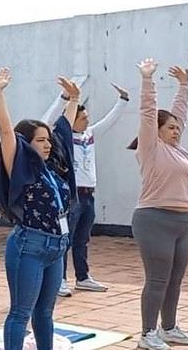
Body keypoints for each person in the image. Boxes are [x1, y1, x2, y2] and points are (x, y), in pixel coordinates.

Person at [0, 68, 82, 350]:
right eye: (39, 141)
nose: (47, 145)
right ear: (26, 144)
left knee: (46, 311)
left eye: (47, 141)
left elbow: (64, 131)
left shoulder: (51, 169)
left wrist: (74, 100)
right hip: (29, 245)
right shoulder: (20, 164)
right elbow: (5, 131)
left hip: (56, 247)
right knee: (21, 311)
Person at [130, 59, 188, 350]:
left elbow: (179, 115)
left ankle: (169, 328)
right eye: (170, 127)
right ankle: (147, 333)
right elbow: (148, 114)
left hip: (182, 222)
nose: (176, 130)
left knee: (175, 279)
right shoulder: (152, 148)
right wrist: (148, 81)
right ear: (156, 132)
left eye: (177, 128)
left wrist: (184, 87)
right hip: (154, 219)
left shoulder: (178, 150)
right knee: (158, 279)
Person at [41, 83, 128, 296]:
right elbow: (47, 121)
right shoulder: (61, 137)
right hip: (72, 195)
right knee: (65, 239)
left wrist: (123, 100)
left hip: (89, 194)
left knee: (82, 238)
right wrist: (65, 97)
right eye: (82, 118)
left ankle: (82, 277)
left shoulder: (89, 134)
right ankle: (59, 280)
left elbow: (109, 122)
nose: (87, 120)